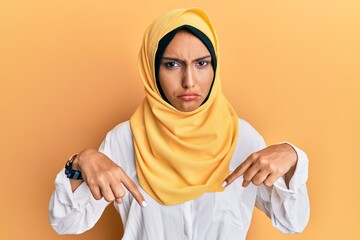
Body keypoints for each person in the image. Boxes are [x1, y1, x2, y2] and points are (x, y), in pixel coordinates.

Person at [49, 7, 309, 240]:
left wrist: (293, 157)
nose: (189, 81)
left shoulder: (242, 138)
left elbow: (292, 221)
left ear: (214, 67)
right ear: (151, 69)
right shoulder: (125, 139)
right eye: (172, 64)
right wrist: (79, 163)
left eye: (201, 63)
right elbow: (66, 222)